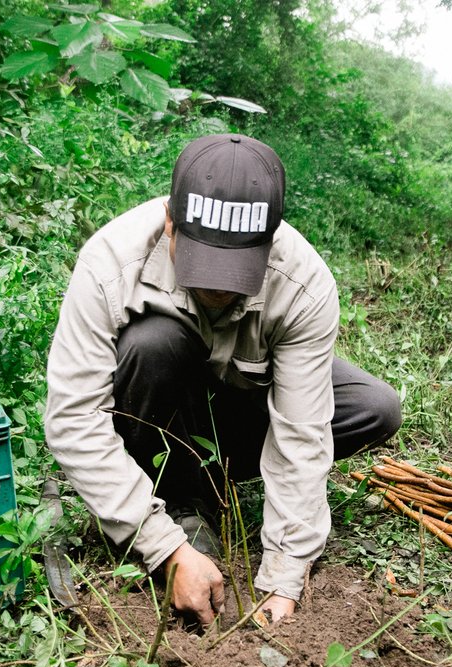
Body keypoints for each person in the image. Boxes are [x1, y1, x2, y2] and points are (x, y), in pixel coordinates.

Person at [44, 133, 402, 626]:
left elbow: (301, 432)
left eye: (235, 267)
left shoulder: (304, 283)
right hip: (157, 399)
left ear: (270, 241)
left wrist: (284, 574)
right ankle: (181, 496)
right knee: (153, 344)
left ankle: (216, 475)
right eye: (203, 262)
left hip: (241, 399)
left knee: (374, 406)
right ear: (170, 223)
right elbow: (74, 418)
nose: (216, 286)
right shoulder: (111, 261)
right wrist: (165, 548)